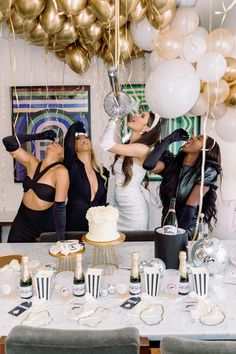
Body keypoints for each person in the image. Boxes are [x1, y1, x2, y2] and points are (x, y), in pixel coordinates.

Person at [143, 129, 222, 239]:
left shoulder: (207, 171)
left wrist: (178, 237)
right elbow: (148, 165)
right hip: (167, 226)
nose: (193, 137)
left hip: (188, 230)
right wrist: (168, 140)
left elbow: (190, 207)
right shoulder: (172, 164)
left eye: (199, 138)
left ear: (205, 149)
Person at [2, 130, 69, 242]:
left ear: (63, 155)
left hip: (43, 228)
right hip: (21, 223)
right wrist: (38, 136)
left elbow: (60, 208)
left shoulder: (61, 171)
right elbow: (8, 142)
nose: (56, 142)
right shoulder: (32, 162)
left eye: (61, 145)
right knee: (13, 257)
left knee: (41, 259)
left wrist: (60, 240)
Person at [100, 111, 161, 230]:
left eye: (142, 116)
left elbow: (105, 143)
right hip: (119, 206)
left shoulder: (142, 149)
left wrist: (114, 118)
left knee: (132, 247)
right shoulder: (127, 145)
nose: (136, 115)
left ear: (146, 128)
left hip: (133, 210)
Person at [64, 121, 109, 231]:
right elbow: (68, 145)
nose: (83, 139)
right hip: (73, 224)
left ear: (91, 144)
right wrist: (74, 126)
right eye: (78, 139)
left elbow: (103, 203)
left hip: (95, 227)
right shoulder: (72, 166)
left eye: (86, 137)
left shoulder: (103, 172)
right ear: (74, 146)